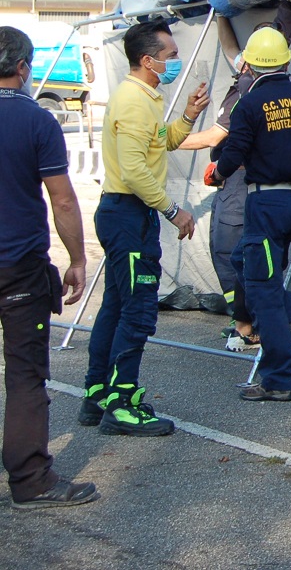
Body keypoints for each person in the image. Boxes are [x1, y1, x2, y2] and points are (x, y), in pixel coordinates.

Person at [80, 20, 209, 436]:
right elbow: (135, 170)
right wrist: (174, 211)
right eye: (171, 56)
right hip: (127, 214)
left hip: (127, 213)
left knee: (116, 307)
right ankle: (121, 404)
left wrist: (188, 116)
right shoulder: (134, 101)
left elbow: (163, 142)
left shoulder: (144, 97)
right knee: (136, 312)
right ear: (147, 60)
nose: (176, 62)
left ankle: (97, 393)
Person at [210, 28, 291, 402]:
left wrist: (217, 174)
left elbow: (233, 153)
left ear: (250, 65)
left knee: (263, 289)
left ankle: (279, 378)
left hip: (265, 206)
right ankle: (290, 314)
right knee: (245, 261)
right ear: (287, 61)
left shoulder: (249, 105)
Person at [179, 0, 291, 355]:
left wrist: (169, 140)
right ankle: (248, 320)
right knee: (241, 254)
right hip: (248, 182)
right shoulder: (248, 74)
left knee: (236, 252)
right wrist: (221, 9)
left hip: (240, 178)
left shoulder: (250, 93)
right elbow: (230, 48)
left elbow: (219, 136)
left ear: (257, 61)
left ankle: (258, 325)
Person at [0, 27, 98, 509]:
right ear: (23, 68)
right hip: (18, 264)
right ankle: (30, 479)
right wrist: (78, 259)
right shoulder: (37, 121)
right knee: (23, 372)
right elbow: (62, 199)